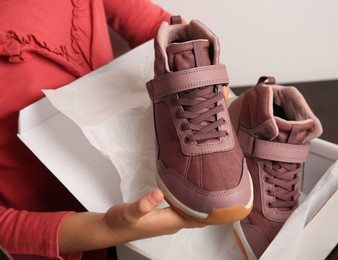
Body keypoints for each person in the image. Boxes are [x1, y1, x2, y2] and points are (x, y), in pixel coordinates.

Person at [0, 1, 203, 259]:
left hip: (140, 170)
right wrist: (105, 229)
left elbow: (162, 31)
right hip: (61, 236)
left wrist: (199, 72)